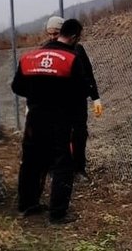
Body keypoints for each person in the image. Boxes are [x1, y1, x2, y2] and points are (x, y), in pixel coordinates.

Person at [12, 17, 96, 223]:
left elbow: (17, 87)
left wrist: (37, 95)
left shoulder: (29, 57)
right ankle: (57, 214)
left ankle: (27, 205)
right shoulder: (71, 58)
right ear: (75, 37)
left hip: (34, 119)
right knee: (62, 164)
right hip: (59, 120)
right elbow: (83, 89)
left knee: (31, 161)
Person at [44, 15, 103, 177]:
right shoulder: (47, 50)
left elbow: (88, 76)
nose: (52, 37)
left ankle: (79, 168)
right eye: (49, 34)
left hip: (77, 102)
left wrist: (96, 98)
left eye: (55, 34)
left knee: (79, 134)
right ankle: (56, 167)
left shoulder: (78, 50)